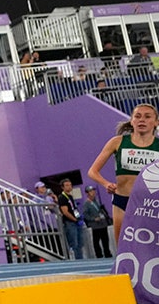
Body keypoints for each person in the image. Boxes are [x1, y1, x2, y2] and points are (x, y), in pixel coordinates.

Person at [88, 103, 159, 249]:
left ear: (156, 122)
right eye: (137, 116)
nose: (142, 120)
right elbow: (92, 171)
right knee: (123, 248)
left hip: (151, 204)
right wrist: (106, 183)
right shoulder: (118, 142)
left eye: (147, 117)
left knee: (152, 250)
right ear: (132, 121)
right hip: (122, 202)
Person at [56, 179, 84, 259]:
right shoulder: (62, 197)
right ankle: (75, 260)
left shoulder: (70, 197)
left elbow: (74, 209)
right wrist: (75, 220)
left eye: (70, 185)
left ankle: (80, 258)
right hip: (70, 223)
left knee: (80, 243)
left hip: (76, 221)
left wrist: (78, 217)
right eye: (67, 185)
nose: (69, 187)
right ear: (63, 187)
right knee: (74, 243)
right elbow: (65, 212)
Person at [82, 185, 113, 258]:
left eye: (93, 190)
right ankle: (99, 254)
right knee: (96, 241)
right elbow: (85, 215)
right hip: (95, 225)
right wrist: (93, 219)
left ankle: (107, 253)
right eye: (91, 191)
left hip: (102, 223)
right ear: (88, 193)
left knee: (105, 239)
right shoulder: (86, 204)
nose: (93, 192)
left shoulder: (96, 201)